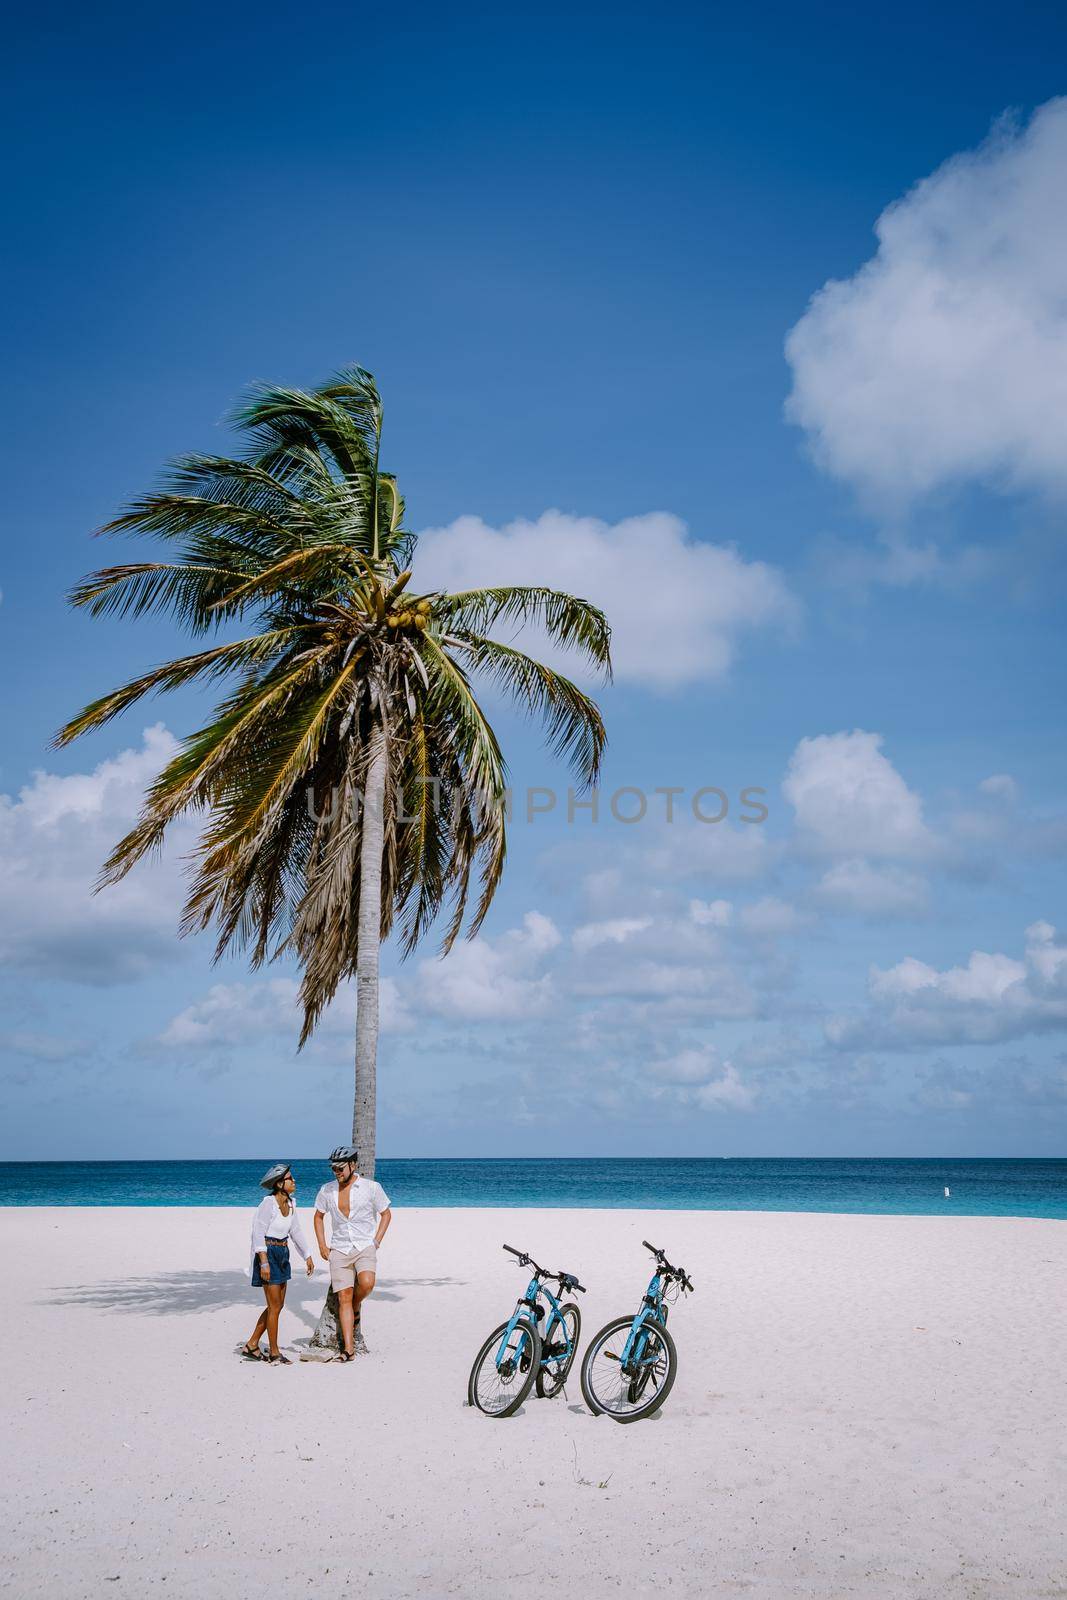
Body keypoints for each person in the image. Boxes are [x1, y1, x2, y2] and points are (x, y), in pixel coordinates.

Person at [314, 1145, 392, 1361]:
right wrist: (322, 1245)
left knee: (367, 1283)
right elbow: (318, 1217)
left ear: (352, 1165)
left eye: (340, 1168)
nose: (337, 1173)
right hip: (339, 1248)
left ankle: (357, 1305)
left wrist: (376, 1241)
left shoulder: (371, 1188)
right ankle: (348, 1350)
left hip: (364, 1245)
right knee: (344, 1297)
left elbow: (386, 1214)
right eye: (334, 1169)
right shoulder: (326, 1190)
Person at [242, 1162, 315, 1364]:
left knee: (278, 1305)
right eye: (290, 1178)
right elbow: (258, 1233)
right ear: (280, 1183)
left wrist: (307, 1255)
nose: (294, 1181)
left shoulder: (291, 1204)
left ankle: (252, 1344)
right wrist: (263, 1263)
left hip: (283, 1252)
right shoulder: (268, 1203)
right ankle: (274, 1353)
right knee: (274, 1307)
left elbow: (296, 1231)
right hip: (268, 1252)